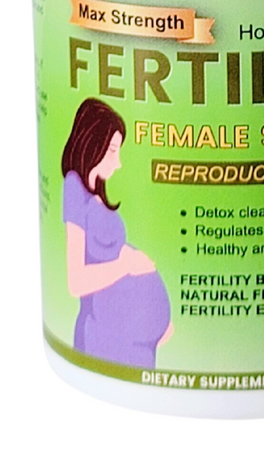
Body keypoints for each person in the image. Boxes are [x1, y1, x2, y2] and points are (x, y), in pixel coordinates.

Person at [61, 98, 173, 368]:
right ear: (93, 142)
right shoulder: (74, 187)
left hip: (133, 340)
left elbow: (107, 250)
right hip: (104, 337)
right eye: (112, 150)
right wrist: (127, 265)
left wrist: (158, 318)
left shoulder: (96, 195)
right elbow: (76, 281)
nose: (118, 162)